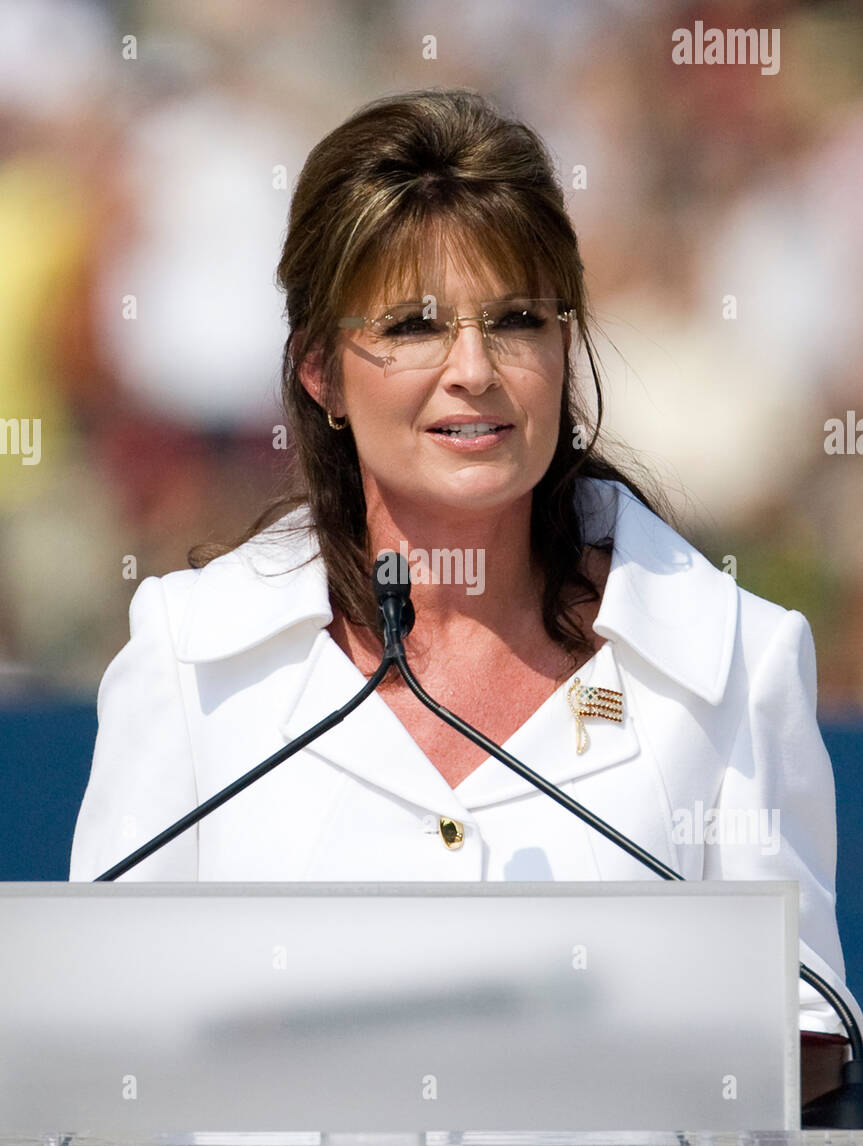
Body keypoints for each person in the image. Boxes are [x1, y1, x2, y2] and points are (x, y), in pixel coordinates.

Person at [70, 87, 859, 1040]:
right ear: (319, 371)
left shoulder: (736, 656)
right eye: (412, 326)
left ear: (564, 344)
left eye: (518, 319)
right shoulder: (189, 652)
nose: (474, 370)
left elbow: (807, 1045)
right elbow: (99, 1051)